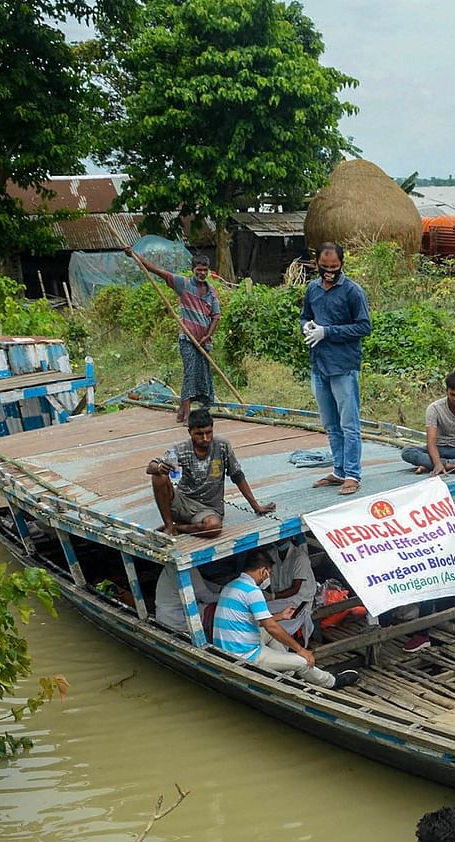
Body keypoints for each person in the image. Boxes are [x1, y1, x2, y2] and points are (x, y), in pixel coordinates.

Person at [212, 552, 359, 689]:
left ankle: (287, 670)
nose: (268, 577)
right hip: (245, 654)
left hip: (228, 647)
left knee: (271, 631)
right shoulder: (253, 591)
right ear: (263, 571)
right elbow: (271, 628)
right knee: (303, 662)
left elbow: (254, 620)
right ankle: (331, 682)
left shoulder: (232, 585)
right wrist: (301, 650)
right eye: (269, 573)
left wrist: (280, 616)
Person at [303, 242, 373, 495]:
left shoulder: (352, 291)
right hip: (319, 364)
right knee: (331, 424)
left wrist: (328, 332)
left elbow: (364, 327)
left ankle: (353, 474)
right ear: (317, 265)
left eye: (334, 267)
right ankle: (339, 469)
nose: (329, 271)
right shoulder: (312, 289)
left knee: (349, 424)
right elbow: (305, 315)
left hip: (343, 365)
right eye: (325, 267)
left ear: (342, 264)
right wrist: (308, 327)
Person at [146, 411, 276, 538]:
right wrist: (159, 467)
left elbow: (237, 475)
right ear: (190, 432)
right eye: (199, 434)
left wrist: (256, 507)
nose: (205, 438)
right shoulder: (181, 449)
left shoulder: (222, 446)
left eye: (209, 433)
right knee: (159, 476)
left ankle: (179, 528)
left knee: (214, 527)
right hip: (182, 501)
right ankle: (169, 525)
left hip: (208, 509)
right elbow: (150, 467)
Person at [129, 249, 219, 426]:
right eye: (198, 270)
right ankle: (186, 415)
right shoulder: (183, 284)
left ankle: (192, 410)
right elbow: (157, 271)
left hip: (203, 342)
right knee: (189, 373)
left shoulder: (211, 292)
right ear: (193, 269)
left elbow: (216, 316)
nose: (201, 273)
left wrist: (207, 335)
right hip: (187, 338)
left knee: (203, 376)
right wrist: (133, 256)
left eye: (205, 270)